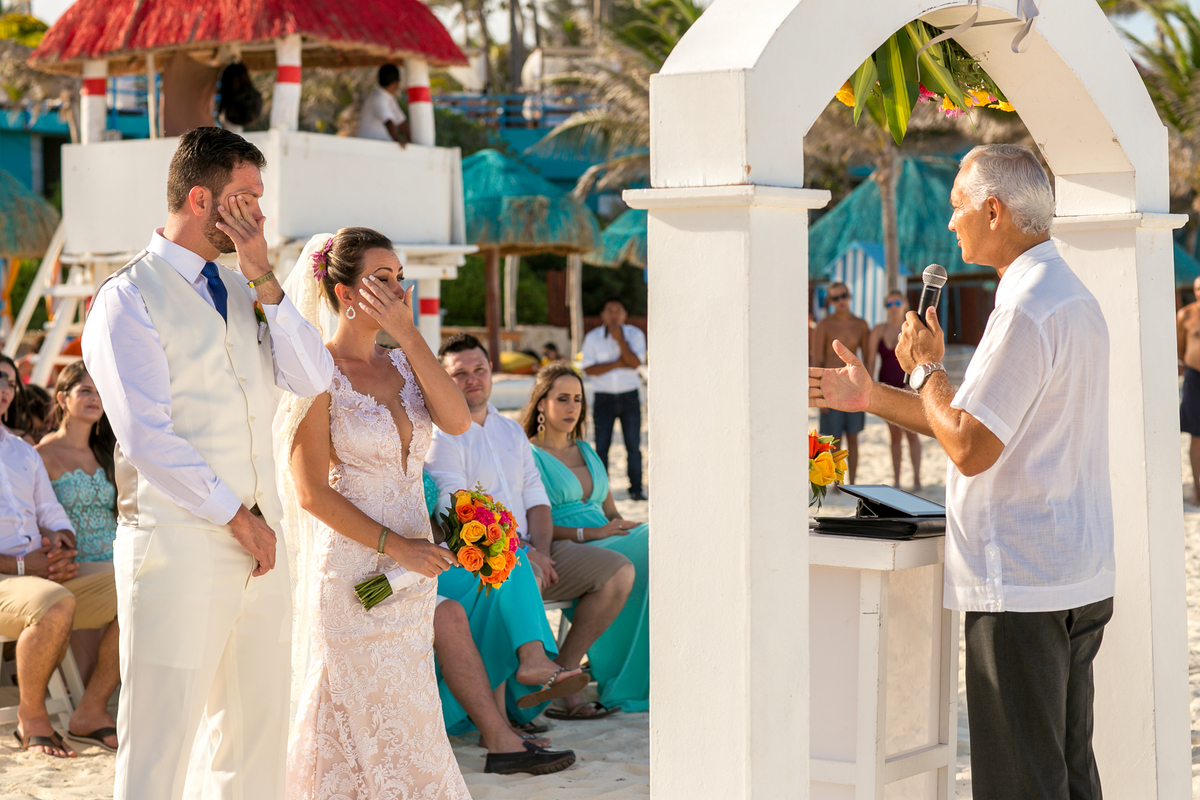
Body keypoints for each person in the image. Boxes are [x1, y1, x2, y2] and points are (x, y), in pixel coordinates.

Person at [810, 144, 1114, 800]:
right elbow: (971, 423)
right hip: (1069, 572)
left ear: (994, 210)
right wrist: (872, 397)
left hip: (1023, 583)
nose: (950, 223)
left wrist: (924, 365)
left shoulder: (1027, 310)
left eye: (957, 206)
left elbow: (970, 447)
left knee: (1023, 785)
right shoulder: (1067, 294)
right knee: (1068, 775)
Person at [82, 127, 334, 800]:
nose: (260, 213)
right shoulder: (126, 297)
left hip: (261, 547)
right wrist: (237, 518)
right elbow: (145, 436)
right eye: (247, 198)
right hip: (176, 547)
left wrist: (264, 275)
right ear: (202, 199)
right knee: (160, 743)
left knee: (255, 737)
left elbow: (312, 376)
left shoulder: (243, 285)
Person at [428, 334, 634, 721]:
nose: (473, 379)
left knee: (617, 573)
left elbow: (537, 501)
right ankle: (526, 691)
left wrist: (539, 549)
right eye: (460, 374)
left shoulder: (510, 431)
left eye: (480, 370)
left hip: (535, 548)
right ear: (443, 378)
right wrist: (524, 554)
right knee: (515, 572)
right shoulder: (442, 436)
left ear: (491, 372)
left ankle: (560, 671)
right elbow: (455, 511)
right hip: (482, 556)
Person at [0, 356, 122, 758]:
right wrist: (22, 566)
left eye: (10, 381)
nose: (5, 387)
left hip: (39, 576)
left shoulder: (22, 453)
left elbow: (50, 513)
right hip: (13, 580)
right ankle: (32, 718)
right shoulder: (42, 451)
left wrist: (62, 542)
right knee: (53, 603)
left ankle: (90, 708)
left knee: (143, 588)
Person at [422, 471, 578, 775]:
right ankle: (530, 663)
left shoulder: (413, 439)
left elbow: (436, 520)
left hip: (430, 554)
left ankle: (501, 725)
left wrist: (474, 532)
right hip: (397, 565)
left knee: (505, 565)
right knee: (505, 570)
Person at [524, 362, 650, 714]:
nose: (572, 408)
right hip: (570, 544)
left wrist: (627, 525)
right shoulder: (528, 454)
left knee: (658, 541)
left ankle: (627, 671)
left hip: (606, 536)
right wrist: (593, 533)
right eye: (562, 398)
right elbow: (535, 521)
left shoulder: (587, 450)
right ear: (541, 403)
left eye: (577, 399)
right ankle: (576, 674)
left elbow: (610, 512)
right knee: (642, 554)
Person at [35, 362, 118, 563]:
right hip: (75, 566)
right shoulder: (40, 455)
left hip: (119, 558)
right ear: (62, 398)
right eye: (85, 390)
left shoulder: (107, 451)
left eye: (100, 392)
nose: (94, 398)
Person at [581, 298, 647, 501]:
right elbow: (589, 369)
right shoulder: (592, 338)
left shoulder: (635, 335)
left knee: (633, 447)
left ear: (625, 314)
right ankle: (602, 493)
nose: (614, 315)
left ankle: (636, 490)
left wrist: (620, 340)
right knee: (601, 448)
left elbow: (635, 363)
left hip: (630, 398)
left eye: (618, 310)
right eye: (610, 310)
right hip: (603, 399)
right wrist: (619, 362)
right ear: (603, 315)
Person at [810, 282, 870, 484]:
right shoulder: (824, 325)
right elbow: (817, 361)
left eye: (843, 296)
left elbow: (868, 360)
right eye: (835, 298)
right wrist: (819, 393)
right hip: (830, 388)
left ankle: (852, 482)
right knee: (834, 440)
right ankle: (836, 482)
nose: (840, 301)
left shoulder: (861, 324)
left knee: (853, 437)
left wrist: (868, 389)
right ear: (830, 302)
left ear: (849, 296)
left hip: (854, 388)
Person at [865, 290, 922, 490]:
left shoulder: (913, 329)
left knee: (912, 434)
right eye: (889, 304)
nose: (894, 307)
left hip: (910, 387)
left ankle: (916, 479)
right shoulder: (879, 330)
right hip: (886, 387)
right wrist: (869, 386)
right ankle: (897, 479)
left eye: (897, 302)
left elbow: (921, 360)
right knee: (894, 436)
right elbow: (871, 359)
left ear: (905, 304)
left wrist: (914, 385)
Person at [1178, 274, 1200, 504]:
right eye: (1196, 288)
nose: (1198, 292)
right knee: (1196, 438)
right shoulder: (1185, 315)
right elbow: (1180, 347)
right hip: (1194, 378)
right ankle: (1197, 490)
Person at [357, 63, 411, 146]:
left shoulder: (389, 97)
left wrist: (411, 141)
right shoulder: (378, 98)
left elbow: (401, 121)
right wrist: (397, 141)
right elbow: (388, 121)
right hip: (369, 148)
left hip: (377, 147)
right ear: (396, 83)